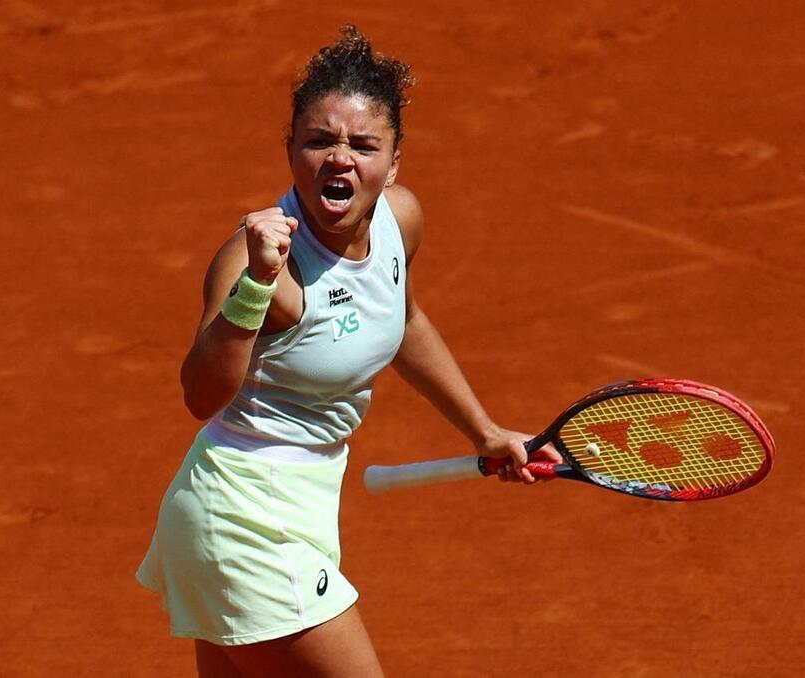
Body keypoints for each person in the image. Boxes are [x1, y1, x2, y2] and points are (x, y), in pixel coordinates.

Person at [136, 25, 561, 677]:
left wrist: (483, 430)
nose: (341, 158)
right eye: (319, 141)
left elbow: (404, 321)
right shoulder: (260, 263)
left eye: (363, 145)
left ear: (393, 164)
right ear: (292, 152)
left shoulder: (401, 219)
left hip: (294, 505)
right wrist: (254, 287)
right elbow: (200, 394)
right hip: (247, 513)